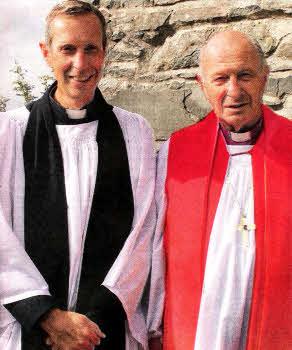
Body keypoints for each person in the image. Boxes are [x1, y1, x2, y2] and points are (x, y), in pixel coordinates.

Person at [0, 1, 156, 349]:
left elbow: (144, 229)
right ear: (46, 53)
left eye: (91, 49)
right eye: (67, 49)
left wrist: (92, 321)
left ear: (105, 51)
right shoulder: (9, 131)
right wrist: (47, 316)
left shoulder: (133, 131)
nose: (80, 64)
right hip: (33, 326)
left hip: (104, 327)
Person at [148, 30, 292, 350]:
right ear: (202, 84)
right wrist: (153, 326)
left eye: (245, 76)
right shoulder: (175, 152)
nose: (234, 91)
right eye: (221, 78)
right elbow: (156, 249)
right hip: (200, 329)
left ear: (264, 78)